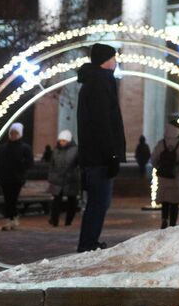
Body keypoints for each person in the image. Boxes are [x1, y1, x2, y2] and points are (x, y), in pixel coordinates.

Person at [75, 42, 125, 253]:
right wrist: (112, 154)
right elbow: (103, 122)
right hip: (99, 157)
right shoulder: (100, 84)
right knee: (98, 203)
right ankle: (88, 244)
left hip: (94, 155)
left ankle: (89, 242)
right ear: (106, 61)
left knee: (98, 202)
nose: (116, 62)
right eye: (113, 58)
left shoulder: (95, 82)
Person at [151, 116, 179, 228]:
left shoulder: (162, 143)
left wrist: (159, 167)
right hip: (176, 175)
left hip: (163, 175)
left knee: (165, 200)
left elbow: (154, 158)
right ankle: (173, 223)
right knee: (175, 201)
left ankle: (164, 219)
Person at [0, 122, 33, 230]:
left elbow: (29, 163)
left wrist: (21, 167)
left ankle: (11, 218)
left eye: (15, 133)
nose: (13, 135)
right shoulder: (3, 148)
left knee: (12, 199)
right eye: (12, 133)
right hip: (5, 178)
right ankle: (11, 218)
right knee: (8, 199)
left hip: (17, 178)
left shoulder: (24, 148)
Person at [47, 129, 80, 227]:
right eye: (60, 141)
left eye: (64, 141)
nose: (62, 143)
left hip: (71, 179)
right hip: (58, 179)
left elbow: (78, 164)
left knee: (71, 200)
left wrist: (74, 174)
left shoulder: (75, 150)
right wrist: (51, 177)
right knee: (56, 201)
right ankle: (54, 220)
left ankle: (68, 221)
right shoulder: (56, 150)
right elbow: (52, 164)